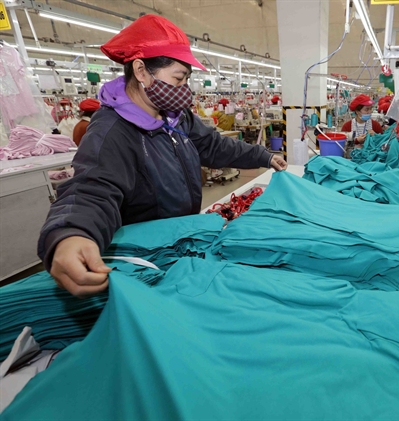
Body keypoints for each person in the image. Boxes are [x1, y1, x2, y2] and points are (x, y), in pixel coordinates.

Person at [38, 15, 287, 297]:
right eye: (178, 78)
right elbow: (92, 189)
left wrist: (263, 156)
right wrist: (72, 234)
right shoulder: (112, 131)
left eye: (187, 80)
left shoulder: (176, 118)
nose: (184, 89)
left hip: (182, 241)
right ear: (141, 71)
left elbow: (214, 146)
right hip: (147, 257)